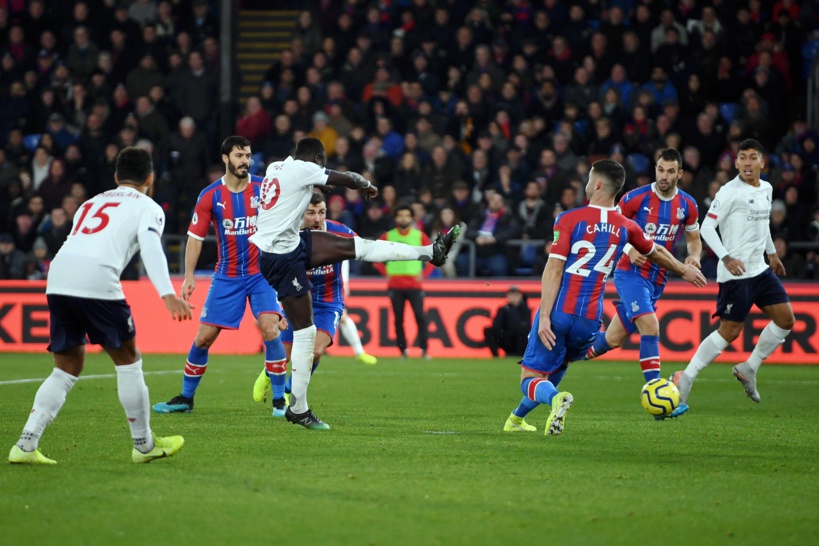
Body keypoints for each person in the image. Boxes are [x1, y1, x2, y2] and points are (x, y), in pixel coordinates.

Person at [250, 137, 459, 430]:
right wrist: (367, 185)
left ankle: (430, 252)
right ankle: (298, 408)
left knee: (358, 247)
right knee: (306, 333)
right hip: (283, 258)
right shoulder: (304, 169)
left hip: (290, 245)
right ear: (318, 159)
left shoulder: (276, 168)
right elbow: (347, 178)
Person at [8, 147, 192, 465]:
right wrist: (167, 293)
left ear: (116, 176)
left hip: (58, 278)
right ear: (150, 179)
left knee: (66, 366)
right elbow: (151, 246)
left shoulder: (90, 203)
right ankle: (144, 445)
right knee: (128, 360)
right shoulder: (148, 207)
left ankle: (25, 446)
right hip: (96, 278)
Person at [502, 159, 706, 436]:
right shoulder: (626, 225)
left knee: (530, 379)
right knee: (560, 364)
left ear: (597, 184)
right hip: (589, 320)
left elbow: (554, 269)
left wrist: (545, 316)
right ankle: (516, 419)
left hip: (561, 310)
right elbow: (656, 252)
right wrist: (683, 269)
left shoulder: (569, 218)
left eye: (589, 179)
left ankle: (556, 399)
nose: (586, 184)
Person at [152, 136, 288, 414]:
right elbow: (195, 237)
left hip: (262, 274)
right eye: (239, 156)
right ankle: (186, 398)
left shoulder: (264, 188)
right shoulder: (210, 195)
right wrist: (189, 275)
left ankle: (279, 400)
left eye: (248, 155)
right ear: (225, 158)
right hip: (228, 276)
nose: (245, 161)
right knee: (203, 338)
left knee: (270, 328)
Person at [573, 148, 701, 418]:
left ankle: (563, 356)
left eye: (670, 171)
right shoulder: (635, 198)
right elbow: (612, 227)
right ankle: (658, 398)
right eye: (660, 170)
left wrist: (694, 257)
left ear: (679, 173)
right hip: (630, 273)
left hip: (658, 279)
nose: (664, 176)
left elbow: (693, 238)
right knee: (650, 325)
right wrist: (629, 250)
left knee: (612, 339)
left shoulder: (688, 205)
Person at [671, 139, 795, 405]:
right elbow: (706, 228)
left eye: (752, 157)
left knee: (786, 320)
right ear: (736, 163)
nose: (747, 163)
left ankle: (749, 367)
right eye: (742, 158)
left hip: (760, 270)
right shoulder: (729, 192)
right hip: (736, 274)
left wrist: (772, 253)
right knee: (730, 331)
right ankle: (686, 377)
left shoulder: (767, 188)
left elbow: (763, 224)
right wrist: (725, 257)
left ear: (762, 162)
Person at [251, 191, 377, 417]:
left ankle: (288, 390)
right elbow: (272, 273)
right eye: (310, 213)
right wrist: (276, 307)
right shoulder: (288, 235)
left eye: (322, 212)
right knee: (284, 356)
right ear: (300, 212)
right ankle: (268, 374)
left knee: (316, 352)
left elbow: (365, 248)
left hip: (329, 302)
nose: (317, 218)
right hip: (297, 299)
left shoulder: (340, 232)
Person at [374, 205, 434, 359]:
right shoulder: (388, 236)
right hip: (395, 284)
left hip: (414, 284)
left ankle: (424, 350)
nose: (403, 218)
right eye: (400, 215)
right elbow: (373, 255)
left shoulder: (419, 236)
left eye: (407, 215)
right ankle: (403, 351)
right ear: (396, 218)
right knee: (398, 319)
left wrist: (424, 274)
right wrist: (385, 272)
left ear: (412, 218)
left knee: (420, 316)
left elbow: (433, 256)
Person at [484, 286, 531, 358]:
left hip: (519, 340)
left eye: (516, 295)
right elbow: (496, 326)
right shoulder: (503, 309)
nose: (513, 297)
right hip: (507, 338)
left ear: (521, 296)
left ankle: (520, 355)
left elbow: (524, 326)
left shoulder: (525, 309)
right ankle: (496, 356)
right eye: (511, 295)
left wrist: (510, 310)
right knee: (488, 330)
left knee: (523, 330)